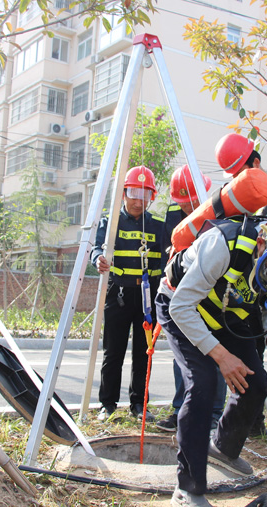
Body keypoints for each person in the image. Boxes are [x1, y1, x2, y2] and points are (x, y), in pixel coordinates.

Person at [157, 213, 267, 507]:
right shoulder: (223, 245)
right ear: (261, 244)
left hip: (227, 314)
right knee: (201, 387)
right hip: (182, 308)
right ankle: (188, 488)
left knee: (255, 385)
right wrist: (221, 356)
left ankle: (223, 448)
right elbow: (181, 306)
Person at [215, 132, 267, 442]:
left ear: (257, 164)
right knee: (251, 355)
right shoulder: (230, 193)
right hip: (246, 286)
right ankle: (251, 423)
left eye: (243, 173)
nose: (240, 182)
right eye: (235, 177)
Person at [91, 166, 164, 422]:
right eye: (133, 192)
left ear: (152, 197)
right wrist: (98, 258)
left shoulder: (159, 226)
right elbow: (97, 247)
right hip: (118, 293)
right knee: (113, 352)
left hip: (148, 297)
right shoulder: (110, 222)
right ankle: (107, 405)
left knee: (144, 353)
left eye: (145, 194)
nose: (138, 200)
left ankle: (139, 405)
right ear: (123, 193)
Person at [156, 165, 225, 433]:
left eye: (192, 202)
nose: (187, 208)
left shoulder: (217, 209)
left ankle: (214, 416)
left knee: (215, 352)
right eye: (183, 203)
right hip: (181, 289)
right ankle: (180, 410)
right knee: (182, 355)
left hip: (209, 292)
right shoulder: (173, 215)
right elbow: (167, 254)